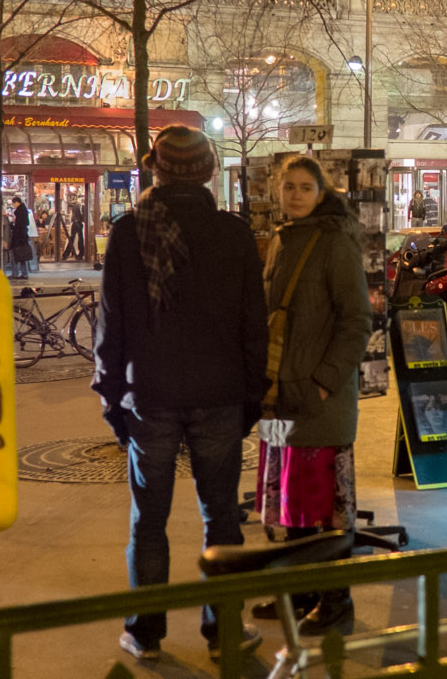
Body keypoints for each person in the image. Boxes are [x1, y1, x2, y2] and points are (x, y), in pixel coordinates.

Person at [93, 125, 268, 663]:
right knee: (222, 517)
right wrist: (249, 398)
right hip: (219, 395)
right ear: (211, 172)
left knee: (149, 520)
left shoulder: (129, 232)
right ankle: (224, 634)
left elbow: (111, 328)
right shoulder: (234, 234)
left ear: (156, 170)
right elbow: (252, 325)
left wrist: (112, 398)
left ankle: (145, 633)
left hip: (151, 396)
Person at [257, 153, 371, 634]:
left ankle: (334, 599)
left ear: (321, 192)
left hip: (318, 399)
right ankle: (298, 589)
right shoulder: (280, 240)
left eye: (305, 187)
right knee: (288, 502)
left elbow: (357, 320)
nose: (296, 195)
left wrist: (325, 380)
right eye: (289, 187)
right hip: (279, 397)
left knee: (324, 504)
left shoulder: (334, 244)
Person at [9, 197, 34, 279]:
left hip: (19, 237)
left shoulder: (19, 212)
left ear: (17, 202)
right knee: (22, 256)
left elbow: (18, 226)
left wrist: (12, 224)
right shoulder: (23, 211)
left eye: (13, 204)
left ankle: (16, 273)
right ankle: (24, 273)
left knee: (16, 255)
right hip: (23, 237)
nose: (13, 206)